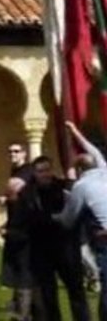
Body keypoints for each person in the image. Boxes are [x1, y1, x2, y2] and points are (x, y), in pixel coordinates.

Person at [23, 153, 90, 321]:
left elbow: (76, 213)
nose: (44, 174)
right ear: (34, 173)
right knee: (48, 295)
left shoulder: (64, 188)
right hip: (42, 250)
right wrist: (52, 218)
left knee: (76, 291)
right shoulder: (29, 193)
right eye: (40, 171)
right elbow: (29, 218)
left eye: (47, 170)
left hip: (66, 247)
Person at [55, 121, 107, 320]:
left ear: (78, 171)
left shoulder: (82, 186)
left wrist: (51, 216)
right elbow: (94, 151)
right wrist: (75, 132)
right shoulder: (104, 170)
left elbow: (68, 219)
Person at [0, 177, 33, 321]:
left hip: (26, 251)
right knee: (19, 282)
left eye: (9, 192)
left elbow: (25, 231)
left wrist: (7, 233)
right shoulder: (16, 203)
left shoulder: (26, 205)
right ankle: (20, 312)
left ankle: (23, 315)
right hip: (17, 250)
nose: (7, 195)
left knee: (23, 285)